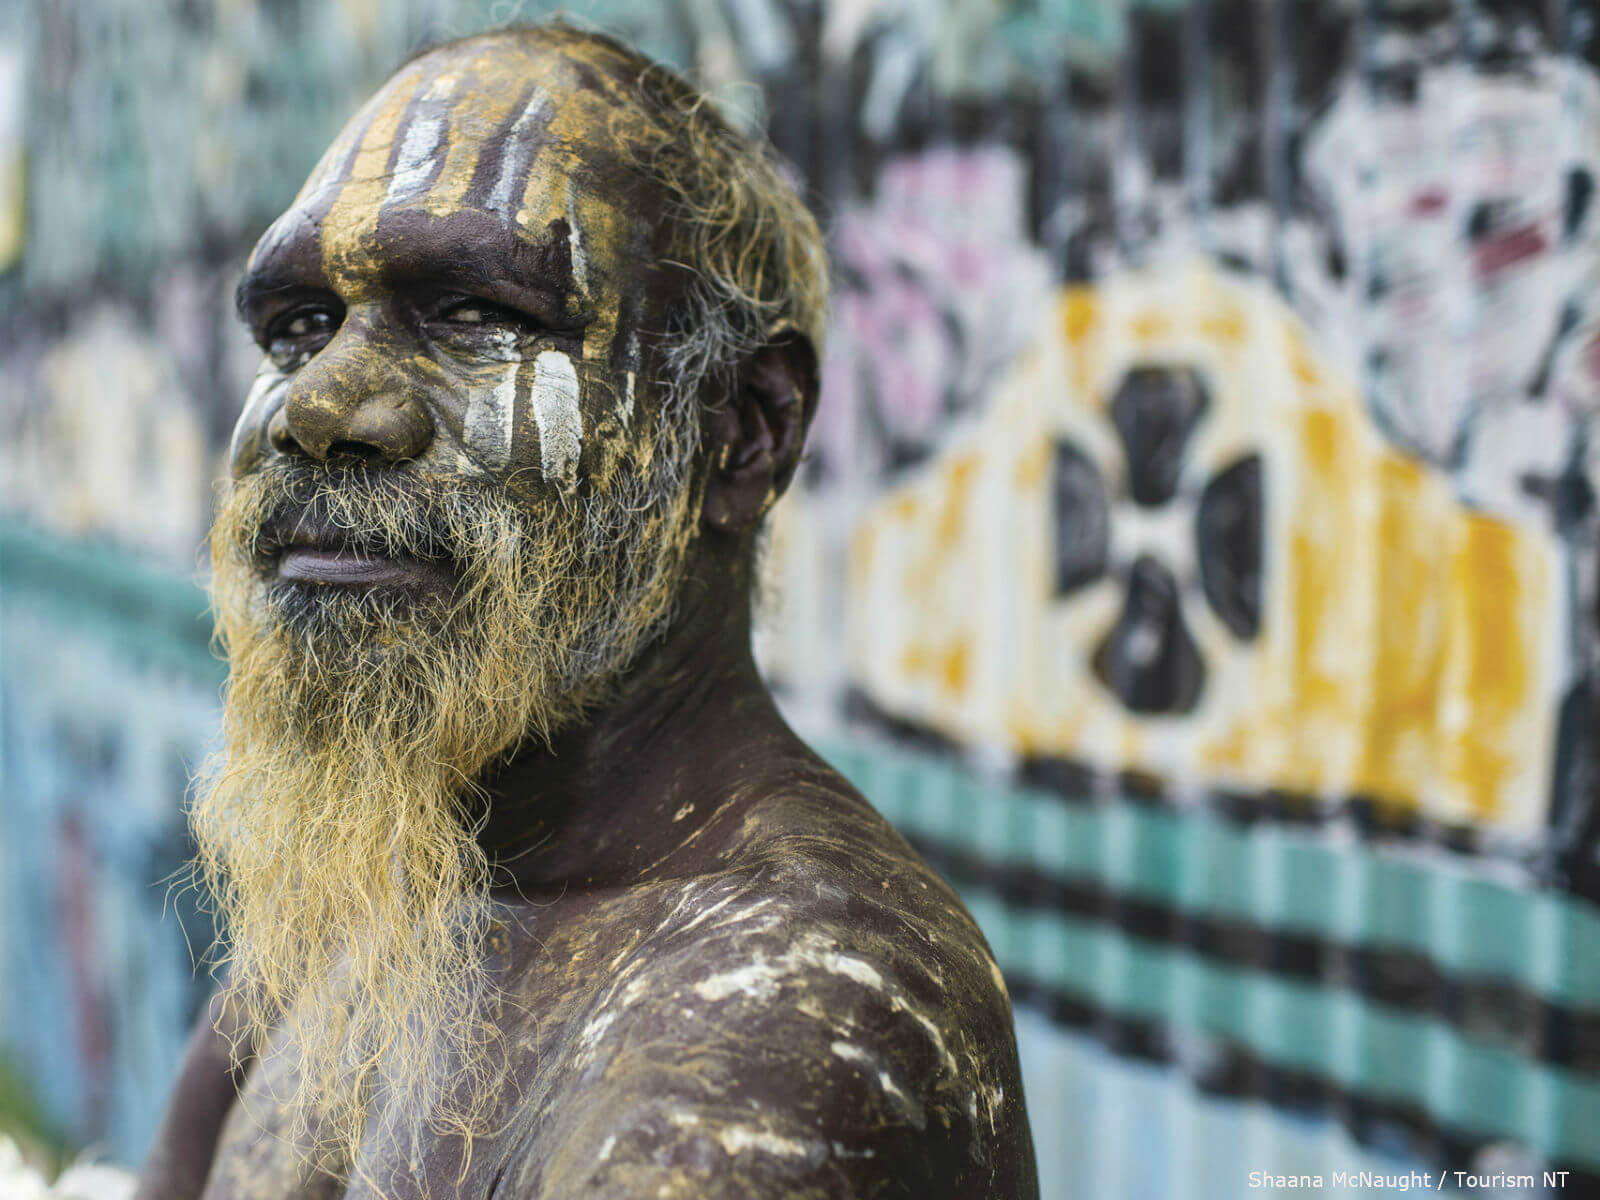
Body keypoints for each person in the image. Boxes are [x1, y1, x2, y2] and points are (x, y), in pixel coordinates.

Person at [136, 23, 1037, 1200]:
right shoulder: (392, 870)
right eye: (298, 324)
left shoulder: (783, 1025)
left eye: (471, 311)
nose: (320, 404)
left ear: (741, 430)